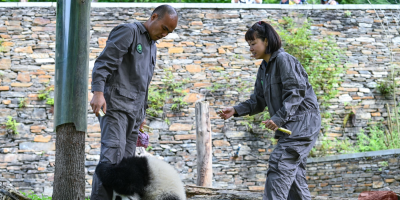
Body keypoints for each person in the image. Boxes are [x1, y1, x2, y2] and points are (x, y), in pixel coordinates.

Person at [218, 21, 321, 200]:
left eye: (253, 43)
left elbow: (296, 92)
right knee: (294, 179)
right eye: (248, 45)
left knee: (280, 163)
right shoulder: (264, 68)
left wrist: (279, 118)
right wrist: (235, 110)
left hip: (302, 123)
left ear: (266, 41)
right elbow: (258, 101)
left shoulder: (283, 59)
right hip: (291, 125)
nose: (250, 48)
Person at [89, 5, 178, 200]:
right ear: (154, 16)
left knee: (125, 169)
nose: (165, 34)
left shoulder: (152, 46)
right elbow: (103, 63)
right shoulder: (129, 32)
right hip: (115, 109)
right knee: (110, 162)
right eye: (164, 28)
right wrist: (97, 92)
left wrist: (141, 116)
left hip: (134, 115)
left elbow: (143, 86)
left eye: (169, 32)